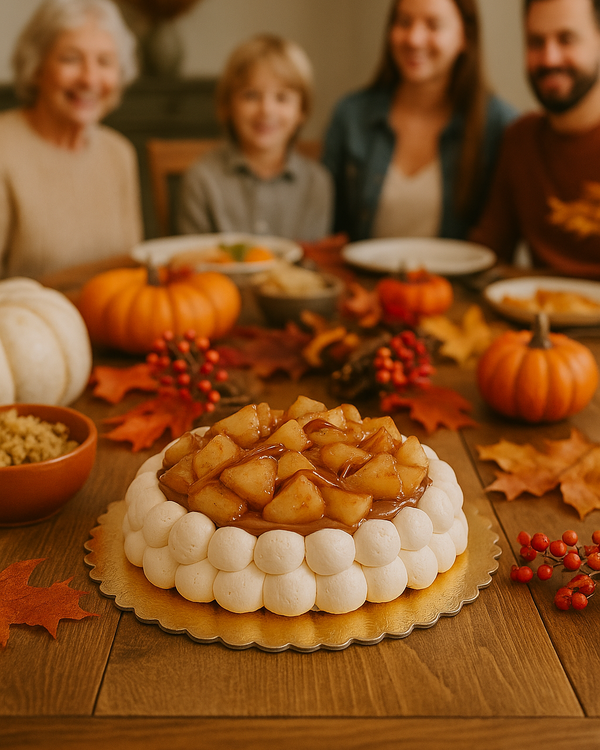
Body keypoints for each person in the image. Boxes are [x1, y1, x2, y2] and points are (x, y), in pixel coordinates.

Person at [322, 0, 517, 243]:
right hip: (362, 279)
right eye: (404, 22)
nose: (414, 39)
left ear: (465, 37)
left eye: (433, 25)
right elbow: (329, 230)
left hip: (457, 280)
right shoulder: (350, 116)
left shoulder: (500, 125)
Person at [0, 0, 143, 280]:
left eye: (104, 62)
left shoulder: (119, 153)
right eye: (71, 59)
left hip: (110, 321)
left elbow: (131, 270)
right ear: (36, 66)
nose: (89, 79)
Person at [471, 0, 600, 278]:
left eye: (566, 40)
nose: (549, 58)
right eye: (536, 42)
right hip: (535, 316)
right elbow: (487, 254)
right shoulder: (520, 138)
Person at [177, 34, 333, 242]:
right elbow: (191, 260)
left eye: (282, 98)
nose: (266, 110)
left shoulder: (317, 183)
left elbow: (314, 261)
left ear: (301, 111)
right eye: (251, 95)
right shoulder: (201, 179)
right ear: (227, 105)